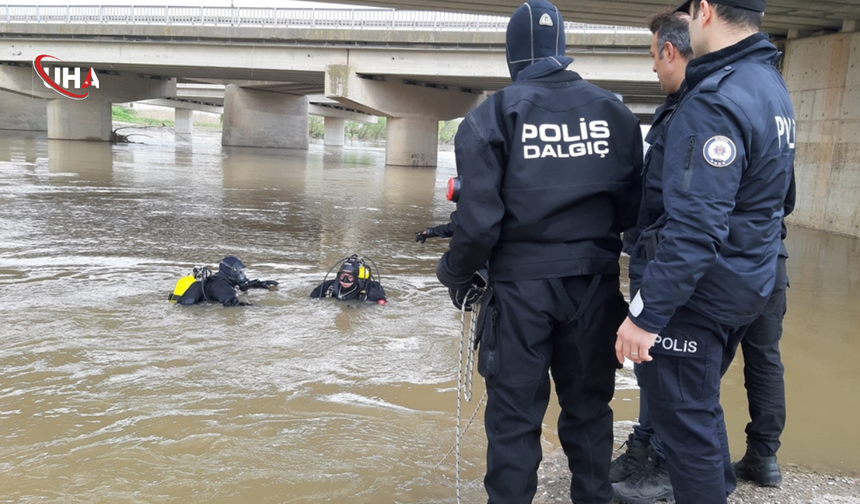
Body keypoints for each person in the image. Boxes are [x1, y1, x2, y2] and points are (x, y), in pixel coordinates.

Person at [434, 1, 643, 502]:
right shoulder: (615, 112)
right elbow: (634, 211)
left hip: (520, 293)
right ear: (560, 49)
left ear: (512, 53)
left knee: (513, 419)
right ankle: (594, 496)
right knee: (590, 409)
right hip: (595, 286)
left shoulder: (490, 117)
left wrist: (454, 273)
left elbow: (478, 222)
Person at [614, 1, 795, 503]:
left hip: (700, 296)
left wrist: (645, 317)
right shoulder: (770, 85)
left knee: (685, 423)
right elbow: (783, 199)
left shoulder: (715, 99)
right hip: (748, 282)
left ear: (706, 11)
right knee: (699, 408)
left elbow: (695, 229)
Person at [610, 10, 693, 504]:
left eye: (653, 57)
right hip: (650, 256)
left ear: (669, 51)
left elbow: (690, 213)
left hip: (669, 264)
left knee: (669, 369)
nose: (653, 70)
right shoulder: (677, 106)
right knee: (651, 365)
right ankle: (646, 444)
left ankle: (662, 465)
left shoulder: (701, 109)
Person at [169, 255, 279, 307]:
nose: (243, 275)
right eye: (240, 272)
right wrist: (264, 308)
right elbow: (232, 305)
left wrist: (258, 284)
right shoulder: (222, 286)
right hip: (187, 309)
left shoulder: (220, 279)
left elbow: (242, 286)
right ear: (231, 272)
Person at [310, 255, 387, 304]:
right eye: (342, 276)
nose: (345, 281)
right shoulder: (330, 286)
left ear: (356, 278)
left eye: (350, 277)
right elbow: (314, 295)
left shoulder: (368, 290)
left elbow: (381, 300)